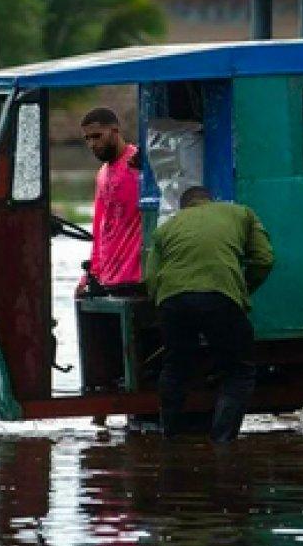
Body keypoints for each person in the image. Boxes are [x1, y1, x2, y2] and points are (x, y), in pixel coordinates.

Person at [144, 186, 274, 442]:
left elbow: (150, 279)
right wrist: (241, 290)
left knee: (175, 368)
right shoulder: (241, 214)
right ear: (210, 200)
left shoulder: (165, 229)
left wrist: (166, 306)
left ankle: (170, 437)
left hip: (173, 300)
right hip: (220, 296)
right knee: (238, 371)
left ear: (184, 208)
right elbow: (264, 259)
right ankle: (222, 442)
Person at [76, 107, 142, 296]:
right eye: (87, 139)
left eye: (97, 136)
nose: (92, 144)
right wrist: (90, 274)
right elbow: (100, 228)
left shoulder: (138, 163)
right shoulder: (103, 174)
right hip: (108, 277)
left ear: (115, 131)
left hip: (135, 277)